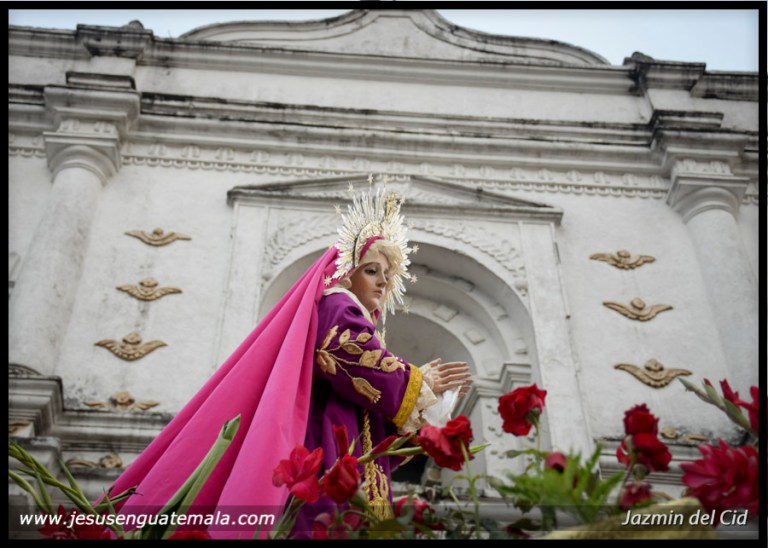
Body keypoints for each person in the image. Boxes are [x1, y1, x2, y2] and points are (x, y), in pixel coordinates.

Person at [102, 181, 472, 539]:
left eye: (387, 276)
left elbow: (373, 421)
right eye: (371, 271)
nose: (381, 282)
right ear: (346, 272)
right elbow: (349, 356)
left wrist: (429, 406)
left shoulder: (360, 321)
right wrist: (418, 383)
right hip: (326, 441)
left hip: (348, 450)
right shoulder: (338, 304)